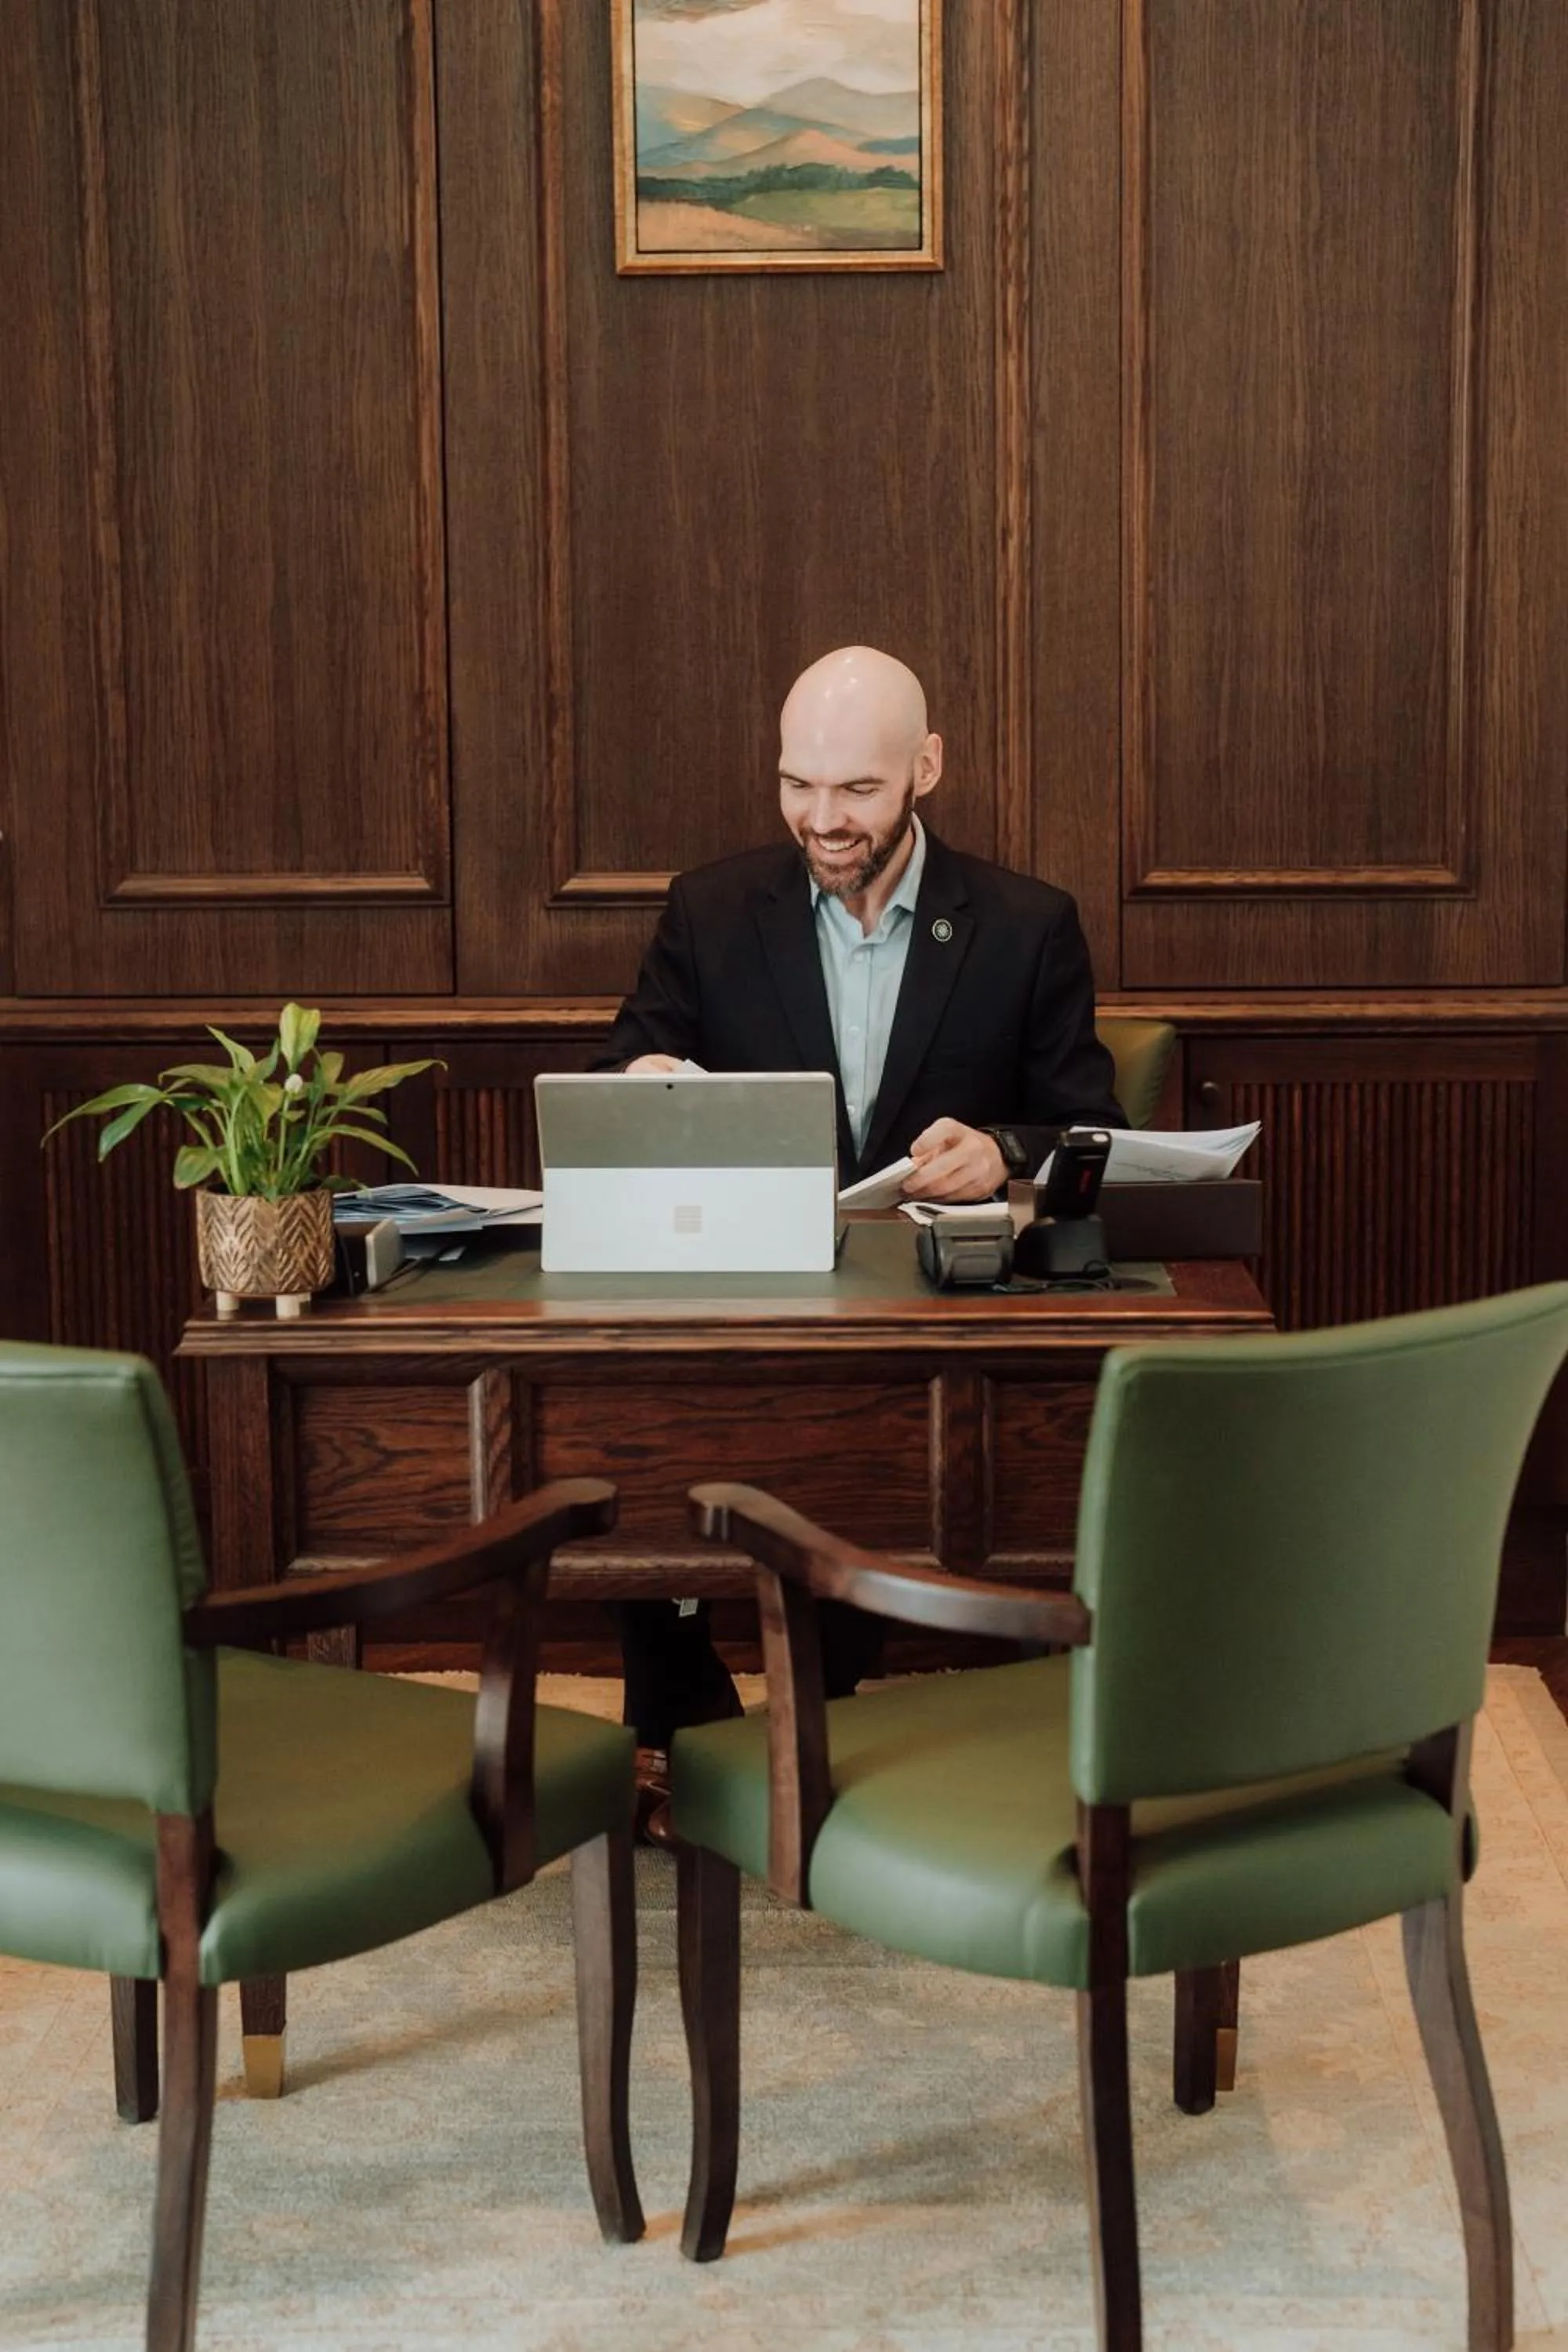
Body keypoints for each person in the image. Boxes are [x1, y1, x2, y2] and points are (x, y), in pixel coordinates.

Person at [598, 645, 1125, 1833]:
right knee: (623, 1421)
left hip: (924, 1329)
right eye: (799, 784)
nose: (823, 820)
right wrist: (647, 1078)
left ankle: (814, 1726)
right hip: (744, 1303)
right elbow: (621, 1063)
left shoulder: (1026, 926)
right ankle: (681, 1727)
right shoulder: (711, 909)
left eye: (858, 790)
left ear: (925, 769)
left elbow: (1089, 1127)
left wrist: (1004, 1149)